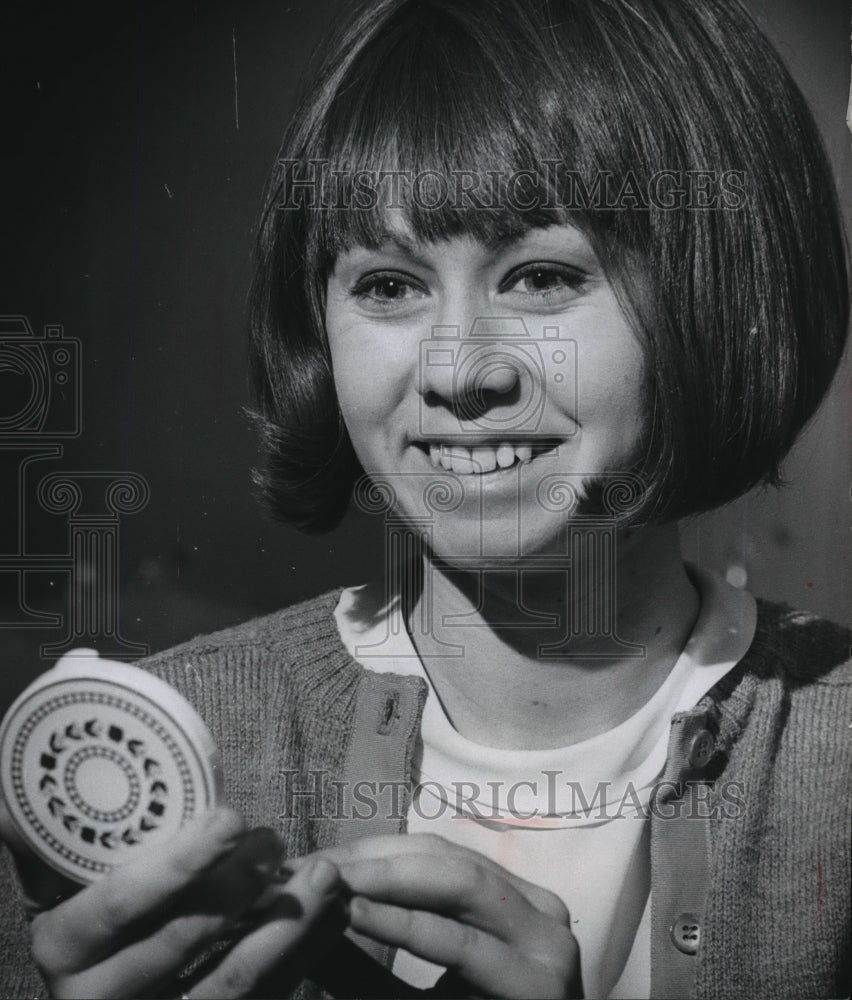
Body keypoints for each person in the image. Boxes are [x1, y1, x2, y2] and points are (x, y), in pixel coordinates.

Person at [0, 0, 849, 997]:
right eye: (390, 286)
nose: (459, 370)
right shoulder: (156, 767)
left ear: (723, 295)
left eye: (539, 276)